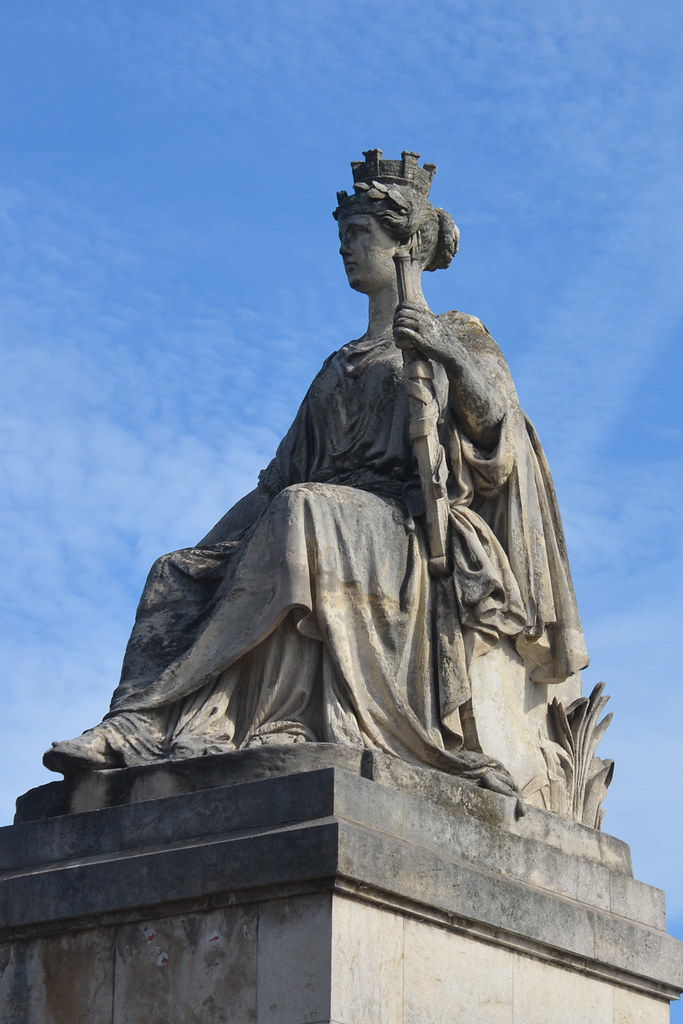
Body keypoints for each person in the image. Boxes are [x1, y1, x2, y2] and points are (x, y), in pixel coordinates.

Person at [44, 150, 588, 805]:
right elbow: (275, 484)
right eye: (342, 238)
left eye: (359, 235)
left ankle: (210, 713)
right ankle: (139, 724)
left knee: (305, 513)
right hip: (322, 518)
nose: (345, 250)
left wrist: (443, 354)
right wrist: (208, 552)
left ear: (403, 244)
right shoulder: (338, 365)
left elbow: (501, 428)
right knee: (176, 567)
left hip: (408, 528)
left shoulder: (458, 332)